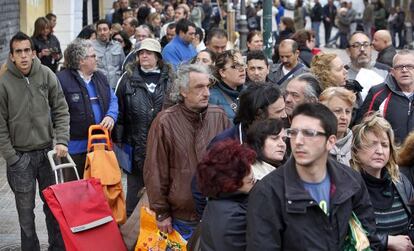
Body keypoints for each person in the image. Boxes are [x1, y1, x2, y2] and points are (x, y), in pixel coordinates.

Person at [246, 103, 381, 250]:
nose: (298, 141)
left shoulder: (351, 180)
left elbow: (368, 237)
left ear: (330, 142)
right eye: (293, 132)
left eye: (309, 133)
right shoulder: (268, 192)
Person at [144, 64, 231, 239]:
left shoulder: (219, 116)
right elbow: (155, 170)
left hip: (215, 212)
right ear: (183, 91)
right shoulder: (165, 122)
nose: (206, 93)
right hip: (181, 218)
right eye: (199, 87)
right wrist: (161, 212)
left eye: (208, 86)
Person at [0, 31, 69, 251]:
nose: (23, 56)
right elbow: (0, 124)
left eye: (27, 50)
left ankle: (57, 248)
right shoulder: (3, 83)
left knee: (54, 209)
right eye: (18, 51)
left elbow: (61, 108)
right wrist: (12, 157)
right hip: (20, 159)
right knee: (26, 216)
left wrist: (62, 141)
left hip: (48, 154)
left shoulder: (46, 74)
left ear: (33, 52)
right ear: (11, 56)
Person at [114, 38, 172, 216]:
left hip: (165, 148)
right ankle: (131, 240)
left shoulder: (170, 79)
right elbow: (119, 111)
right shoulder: (127, 79)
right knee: (133, 198)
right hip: (135, 148)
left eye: (148, 52)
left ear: (157, 56)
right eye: (141, 53)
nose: (144, 56)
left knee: (163, 195)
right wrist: (119, 144)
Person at [57, 38, 118, 180]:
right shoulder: (61, 80)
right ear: (81, 60)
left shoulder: (100, 77)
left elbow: (113, 99)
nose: (96, 59)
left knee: (99, 189)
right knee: (75, 190)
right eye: (93, 56)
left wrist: (111, 115)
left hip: (100, 144)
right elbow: (56, 111)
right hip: (74, 148)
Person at [351, 114, 414, 251]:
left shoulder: (401, 182)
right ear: (356, 150)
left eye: (385, 145)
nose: (379, 151)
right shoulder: (348, 187)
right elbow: (348, 236)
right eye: (372, 144)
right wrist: (387, 241)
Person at [197, 140, 256, 251]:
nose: (252, 175)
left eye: (250, 167)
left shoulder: (216, 202)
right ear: (228, 179)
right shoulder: (234, 216)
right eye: (245, 171)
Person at [357, 50, 414, 143]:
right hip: (389, 155)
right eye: (399, 67)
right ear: (392, 71)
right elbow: (362, 127)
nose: (404, 70)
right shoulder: (377, 93)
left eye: (409, 66)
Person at [346, 32, 390, 99]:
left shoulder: (386, 72)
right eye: (357, 45)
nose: (362, 49)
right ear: (348, 51)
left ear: (371, 48)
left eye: (366, 45)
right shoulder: (342, 73)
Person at [319, 87, 355, 166]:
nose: (344, 117)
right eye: (338, 111)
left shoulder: (359, 146)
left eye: (348, 111)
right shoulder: (312, 144)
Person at [209, 49, 246, 121]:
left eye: (243, 65)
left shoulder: (248, 92)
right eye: (236, 66)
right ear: (222, 72)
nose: (242, 69)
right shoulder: (211, 98)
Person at [92, 19, 125, 89]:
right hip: (99, 86)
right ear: (97, 32)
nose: (102, 32)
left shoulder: (117, 46)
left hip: (116, 87)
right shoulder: (91, 47)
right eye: (99, 30)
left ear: (110, 31)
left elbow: (123, 67)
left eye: (105, 29)